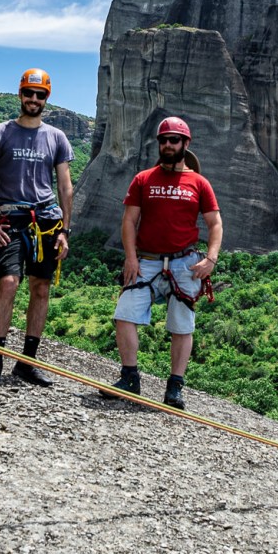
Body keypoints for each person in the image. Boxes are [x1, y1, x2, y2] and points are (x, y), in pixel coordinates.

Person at [0, 67, 74, 386]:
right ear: (20, 94)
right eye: (29, 93)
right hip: (12, 221)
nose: (33, 99)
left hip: (46, 222)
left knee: (41, 289)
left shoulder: (56, 137)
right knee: (9, 283)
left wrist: (65, 231)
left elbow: (66, 188)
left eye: (39, 95)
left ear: (46, 98)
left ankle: (26, 363)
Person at [112, 116, 222, 410]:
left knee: (181, 326)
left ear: (185, 144)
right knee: (124, 315)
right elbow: (129, 220)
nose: (168, 144)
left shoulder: (199, 183)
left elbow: (215, 224)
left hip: (185, 262)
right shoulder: (143, 179)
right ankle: (130, 378)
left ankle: (174, 388)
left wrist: (211, 258)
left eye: (174, 140)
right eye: (163, 140)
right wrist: (131, 258)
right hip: (146, 260)